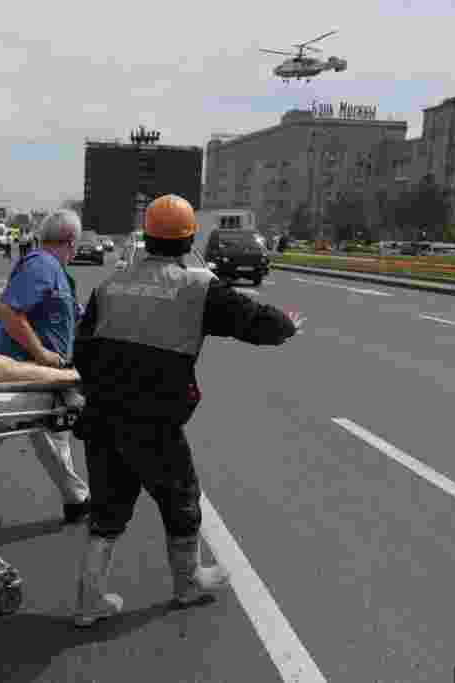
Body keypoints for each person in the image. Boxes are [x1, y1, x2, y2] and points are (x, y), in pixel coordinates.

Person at [70, 194, 304, 627]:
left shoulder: (111, 285)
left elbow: (81, 352)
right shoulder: (198, 287)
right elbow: (254, 321)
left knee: (107, 511)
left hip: (102, 416)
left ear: (147, 238)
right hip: (155, 423)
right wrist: (288, 325)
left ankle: (89, 601)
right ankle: (188, 584)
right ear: (188, 238)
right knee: (181, 501)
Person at [0, 209, 91, 534]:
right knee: (53, 434)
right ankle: (77, 500)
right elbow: (8, 310)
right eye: (76, 244)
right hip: (25, 372)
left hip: (29, 372)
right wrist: (41, 353)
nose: (77, 250)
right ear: (70, 242)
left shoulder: (54, 270)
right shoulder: (41, 265)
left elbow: (65, 314)